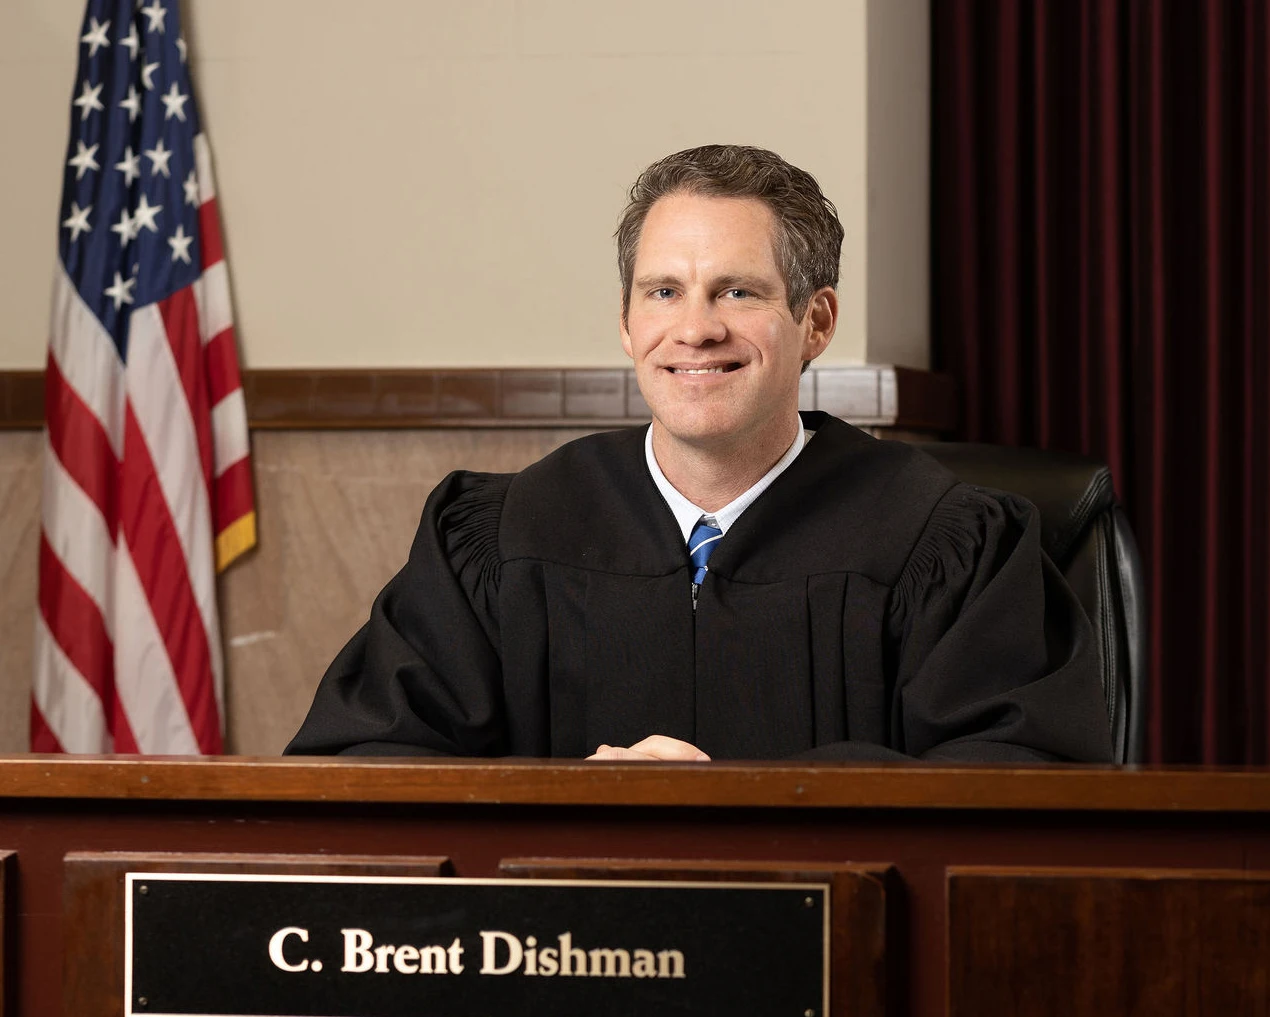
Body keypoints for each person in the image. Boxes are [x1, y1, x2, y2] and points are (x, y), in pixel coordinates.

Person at [287, 144, 1112, 763]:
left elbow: (1014, 783)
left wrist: (737, 802)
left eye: (738, 291)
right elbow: (366, 762)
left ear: (816, 322)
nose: (695, 329)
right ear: (626, 323)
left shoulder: (945, 542)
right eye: (664, 292)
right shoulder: (503, 536)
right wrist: (573, 804)